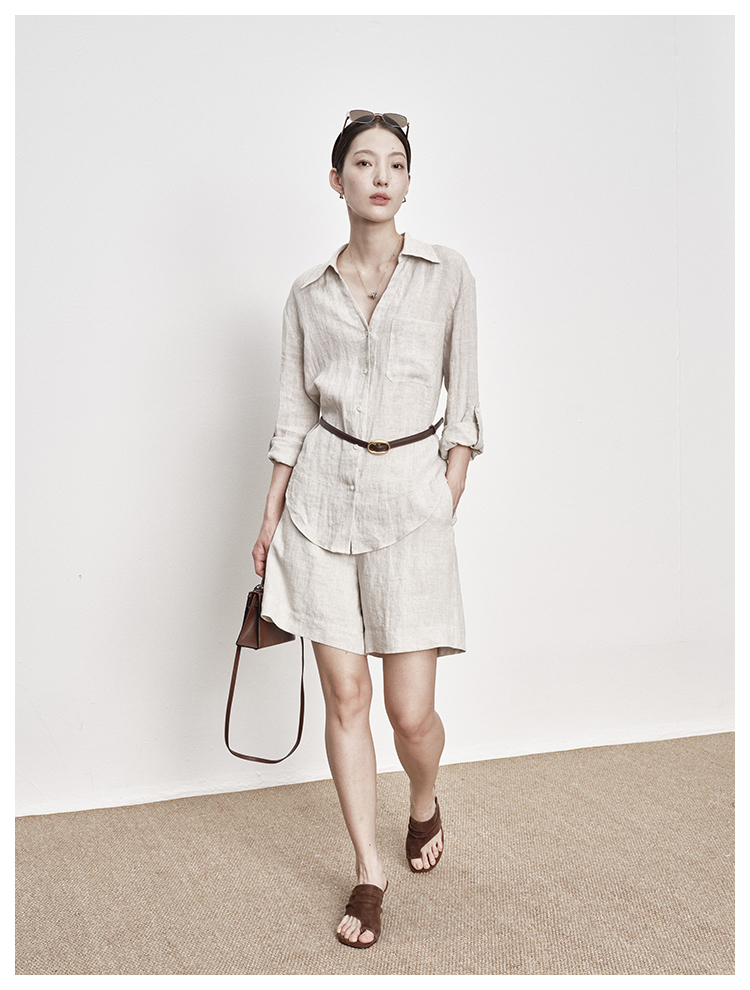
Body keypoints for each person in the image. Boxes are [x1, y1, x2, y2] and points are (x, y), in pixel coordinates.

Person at [252, 110, 483, 948]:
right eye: (362, 162)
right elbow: (292, 412)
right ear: (336, 179)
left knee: (410, 713)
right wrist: (270, 514)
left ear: (409, 183)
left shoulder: (447, 274)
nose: (380, 176)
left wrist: (448, 486)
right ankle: (368, 869)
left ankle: (422, 800)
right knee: (346, 696)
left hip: (411, 502)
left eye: (395, 164)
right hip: (319, 503)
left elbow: (467, 404)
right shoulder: (308, 294)